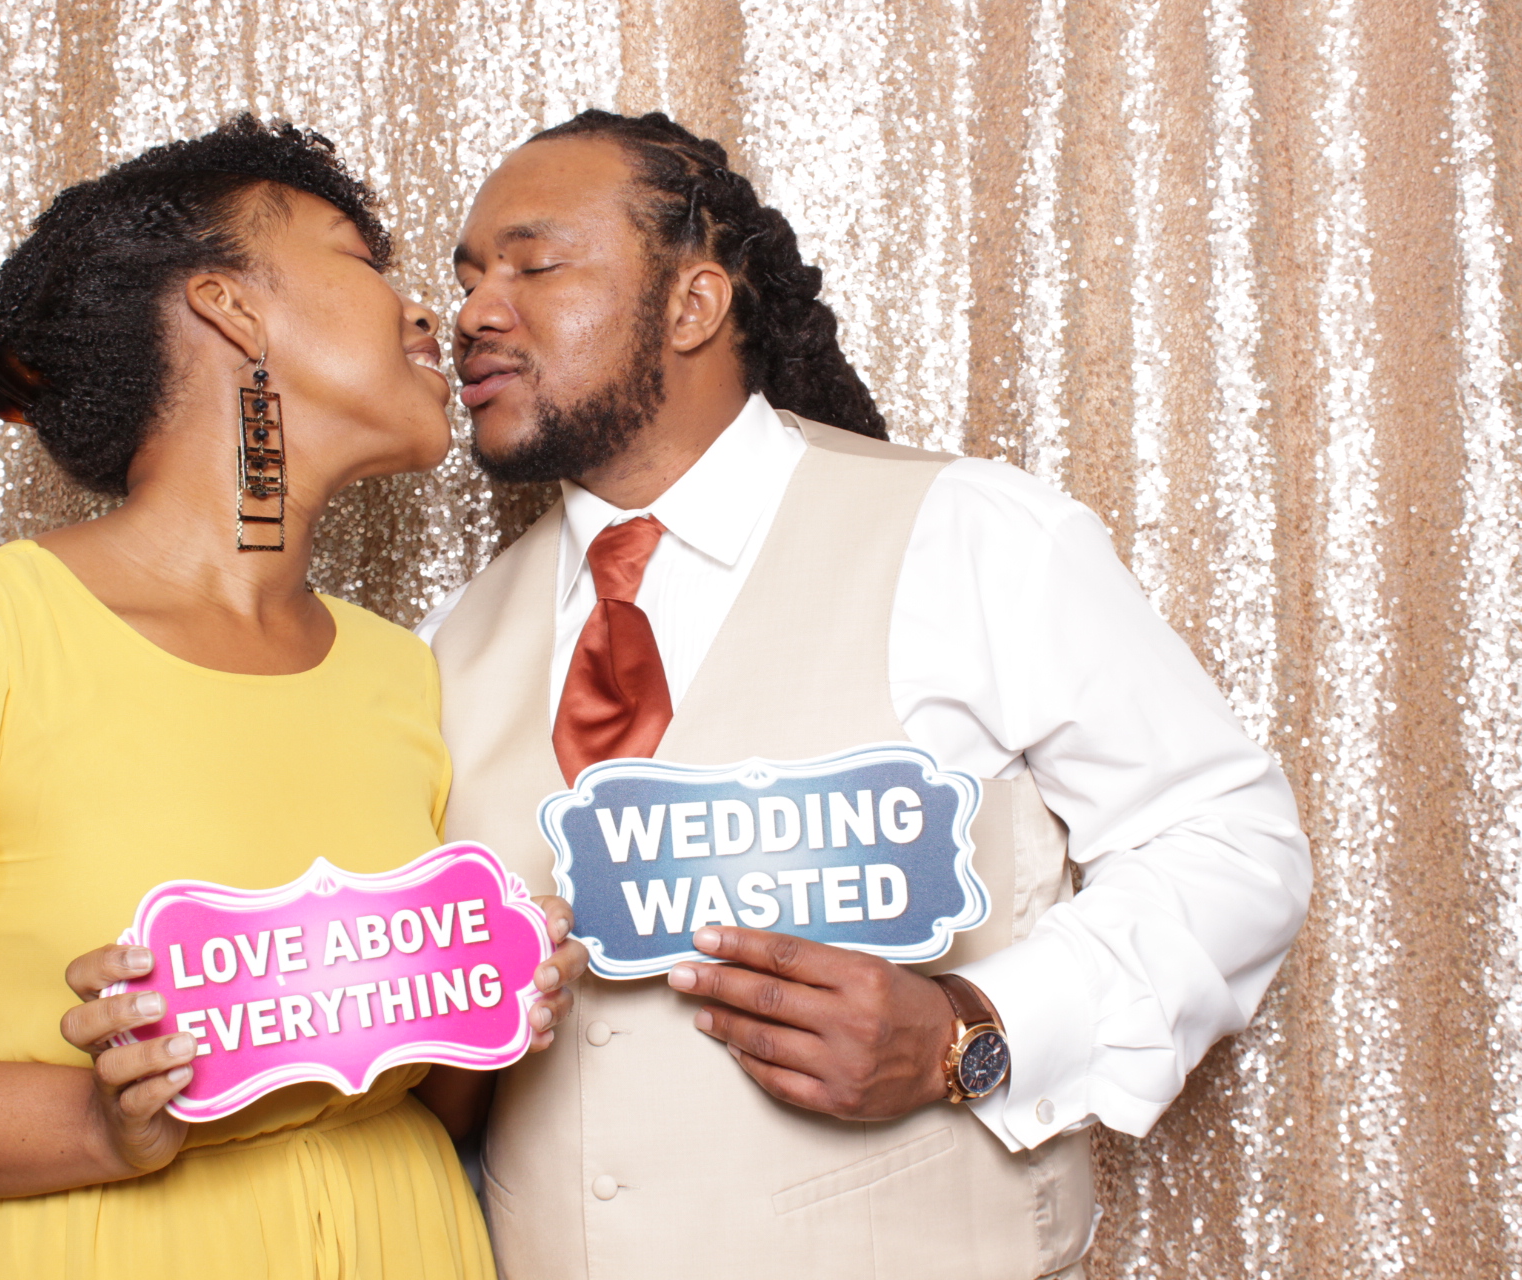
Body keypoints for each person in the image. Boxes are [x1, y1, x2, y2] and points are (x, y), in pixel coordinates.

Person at [0, 115, 584, 1280]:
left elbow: (402, 1092)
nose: (425, 315)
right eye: (363, 260)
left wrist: (492, 994)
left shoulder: (400, 669)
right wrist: (98, 1124)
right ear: (230, 308)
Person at [417, 110, 1313, 1280]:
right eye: (468, 279)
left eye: (533, 265)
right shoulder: (447, 643)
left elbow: (1232, 843)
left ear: (693, 304)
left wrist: (970, 1030)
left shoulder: (968, 533)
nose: (474, 313)